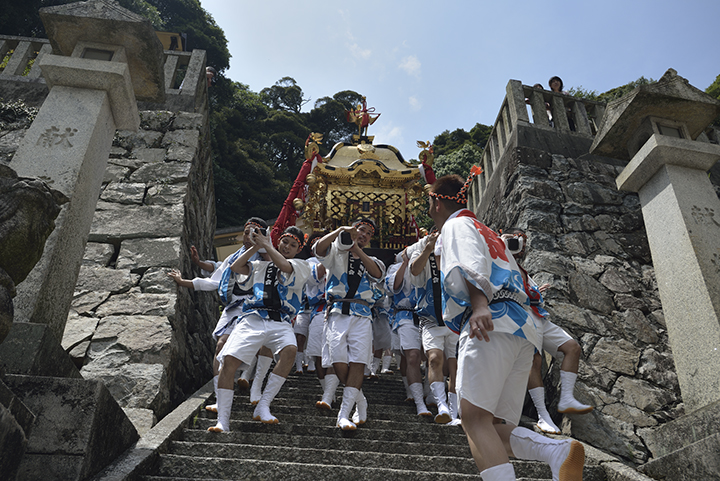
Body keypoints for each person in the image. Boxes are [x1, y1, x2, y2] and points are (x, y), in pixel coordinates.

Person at [429, 173, 585, 481]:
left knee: (473, 420)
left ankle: (557, 450)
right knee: (492, 425)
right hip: (522, 327)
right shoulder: (488, 232)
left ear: (437, 202)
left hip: (490, 320)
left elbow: (469, 264)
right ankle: (555, 451)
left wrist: (479, 304)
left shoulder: (456, 225)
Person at [209, 226, 310, 432]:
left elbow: (285, 267)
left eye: (293, 245)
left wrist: (267, 246)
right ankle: (223, 420)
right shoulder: (260, 265)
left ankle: (263, 405)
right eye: (284, 242)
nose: (287, 247)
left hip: (281, 319)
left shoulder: (302, 265)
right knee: (228, 361)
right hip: (253, 317)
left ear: (299, 250)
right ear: (278, 242)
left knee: (290, 350)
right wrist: (256, 246)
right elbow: (236, 267)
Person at [167, 218, 268, 412]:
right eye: (246, 231)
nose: (249, 236)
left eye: (254, 232)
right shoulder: (232, 258)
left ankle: (251, 381)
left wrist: (263, 245)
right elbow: (214, 282)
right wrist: (183, 282)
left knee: (252, 346)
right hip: (233, 308)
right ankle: (219, 398)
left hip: (256, 308)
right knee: (220, 346)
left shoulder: (266, 256)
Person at [501, 228, 593, 435]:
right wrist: (500, 244)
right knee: (534, 360)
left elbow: (530, 295)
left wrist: (535, 292)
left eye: (523, 243)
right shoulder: (499, 259)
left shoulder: (523, 270)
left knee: (572, 347)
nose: (521, 247)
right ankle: (543, 415)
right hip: (520, 316)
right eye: (516, 241)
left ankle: (567, 398)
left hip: (538, 316)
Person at [313, 218, 386, 430]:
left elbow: (377, 275)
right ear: (352, 230)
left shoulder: (372, 260)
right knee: (337, 360)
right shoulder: (336, 252)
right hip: (337, 310)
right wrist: (339, 231)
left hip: (362, 313)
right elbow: (318, 249)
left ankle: (343, 415)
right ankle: (360, 400)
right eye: (360, 230)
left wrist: (357, 250)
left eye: (368, 233)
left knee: (358, 362)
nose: (364, 235)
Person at [409, 230, 459, 425]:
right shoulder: (422, 251)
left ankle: (454, 411)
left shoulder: (455, 253)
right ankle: (441, 405)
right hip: (430, 318)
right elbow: (414, 271)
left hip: (454, 318)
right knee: (434, 358)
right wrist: (428, 248)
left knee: (455, 366)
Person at [386, 248, 431, 418]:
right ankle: (418, 400)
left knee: (431, 356)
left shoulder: (429, 264)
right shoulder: (394, 267)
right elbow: (393, 287)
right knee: (412, 356)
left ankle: (429, 393)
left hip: (429, 316)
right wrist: (405, 262)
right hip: (405, 315)